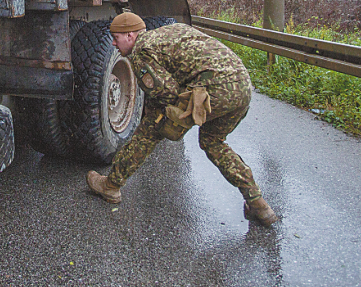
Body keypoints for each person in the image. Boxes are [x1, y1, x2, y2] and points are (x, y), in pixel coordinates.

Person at [86, 12, 279, 226]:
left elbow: (167, 93)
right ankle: (258, 204)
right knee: (213, 141)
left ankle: (111, 186)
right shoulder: (170, 32)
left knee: (149, 132)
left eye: (116, 37)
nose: (113, 43)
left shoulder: (141, 52)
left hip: (215, 90)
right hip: (242, 86)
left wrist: (160, 121)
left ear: (130, 35)